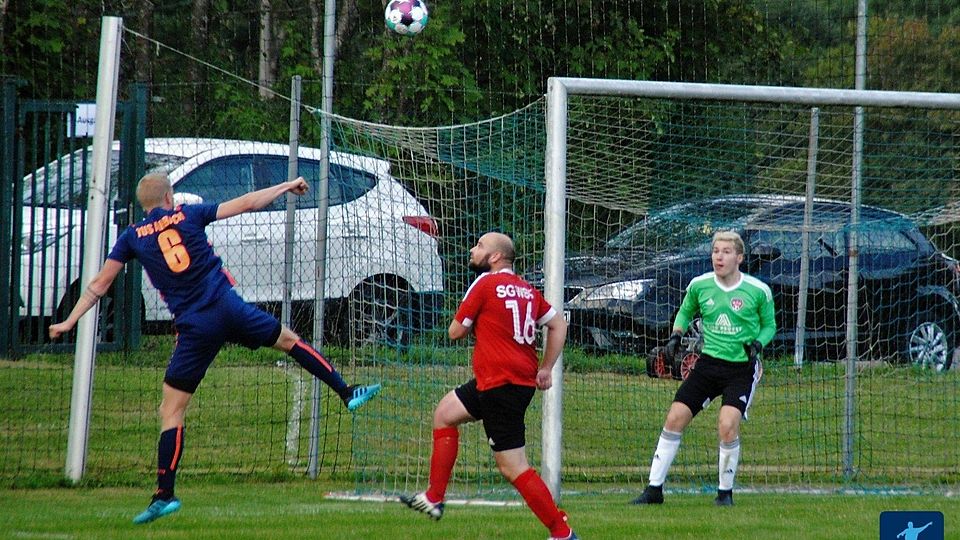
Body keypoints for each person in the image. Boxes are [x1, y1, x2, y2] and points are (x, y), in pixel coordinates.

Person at [49, 173, 381, 524]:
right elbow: (248, 202)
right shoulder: (189, 214)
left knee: (172, 411)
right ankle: (346, 392)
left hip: (195, 327)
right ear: (168, 197)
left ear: (144, 204)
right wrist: (285, 187)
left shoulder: (132, 237)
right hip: (229, 307)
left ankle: (164, 494)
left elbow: (100, 284)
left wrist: (70, 322)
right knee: (289, 341)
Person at [399, 232, 578, 540]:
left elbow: (455, 332)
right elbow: (558, 323)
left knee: (513, 466)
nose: (473, 249)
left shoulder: (484, 284)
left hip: (501, 383)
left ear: (495, 257)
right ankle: (433, 497)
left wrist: (476, 323)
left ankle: (562, 533)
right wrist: (545, 368)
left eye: (480, 246)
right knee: (445, 413)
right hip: (503, 381)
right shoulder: (525, 289)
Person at [631, 230, 775, 507]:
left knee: (727, 425)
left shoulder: (758, 291)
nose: (719, 257)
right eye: (715, 251)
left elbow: (769, 325)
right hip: (708, 364)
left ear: (739, 258)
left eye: (726, 252)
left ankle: (724, 494)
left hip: (741, 368)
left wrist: (757, 345)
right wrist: (676, 335)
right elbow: (685, 311)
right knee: (675, 418)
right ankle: (653, 490)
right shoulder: (699, 285)